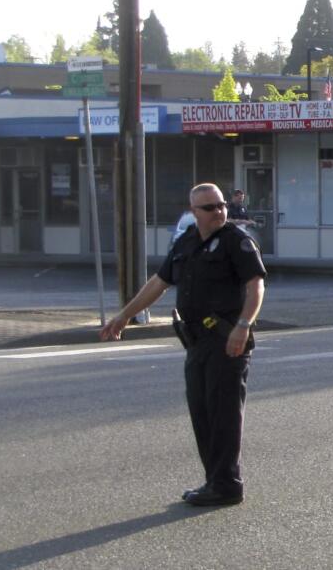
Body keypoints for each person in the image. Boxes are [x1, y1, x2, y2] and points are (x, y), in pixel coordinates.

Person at [100, 183, 266, 508]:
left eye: (221, 205)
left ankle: (227, 485)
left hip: (226, 339)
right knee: (202, 410)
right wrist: (124, 316)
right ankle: (215, 481)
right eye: (210, 207)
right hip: (196, 341)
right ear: (194, 212)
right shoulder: (185, 244)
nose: (219, 211)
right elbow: (159, 283)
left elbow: (256, 285)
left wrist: (243, 326)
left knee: (223, 414)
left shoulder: (237, 241)